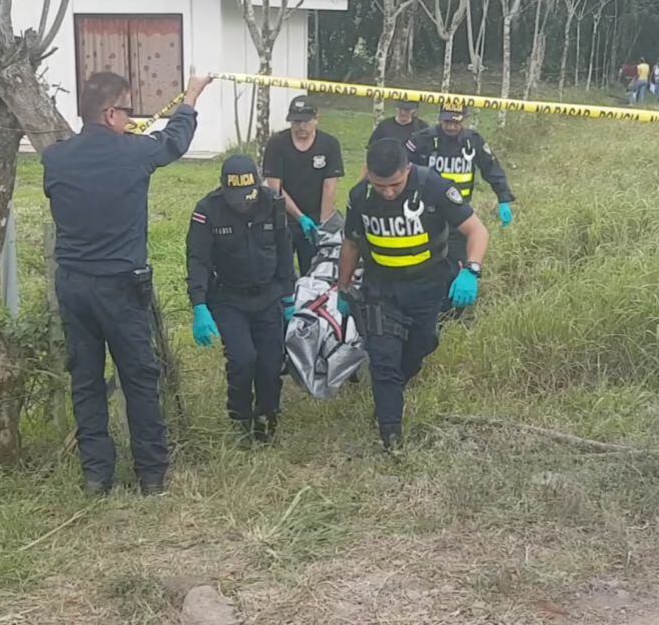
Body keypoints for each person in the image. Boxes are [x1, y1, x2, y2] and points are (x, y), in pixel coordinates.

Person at [43, 71, 213, 497]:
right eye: (127, 110)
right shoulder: (132, 153)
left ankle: (96, 475)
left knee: (85, 380)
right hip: (120, 286)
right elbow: (175, 140)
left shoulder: (56, 158)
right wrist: (192, 95)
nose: (132, 119)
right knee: (139, 378)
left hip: (73, 286)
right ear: (110, 113)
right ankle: (151, 475)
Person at [337, 138, 490, 450]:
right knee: (383, 358)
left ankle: (393, 390)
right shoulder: (361, 196)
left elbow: (477, 230)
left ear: (407, 169)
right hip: (381, 287)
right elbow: (352, 243)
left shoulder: (433, 187)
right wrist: (343, 287)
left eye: (394, 184)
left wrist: (472, 270)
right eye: (380, 185)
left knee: (421, 346)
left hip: (427, 284)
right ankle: (390, 433)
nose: (388, 192)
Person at [186, 155, 295, 445]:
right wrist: (199, 305)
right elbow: (197, 259)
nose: (242, 205)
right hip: (229, 298)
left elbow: (284, 249)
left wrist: (288, 295)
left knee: (271, 363)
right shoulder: (207, 210)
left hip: (268, 294)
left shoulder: (272, 203)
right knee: (243, 359)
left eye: (247, 197)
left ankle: (267, 414)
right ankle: (240, 418)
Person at [406, 104, 515, 310]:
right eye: (447, 121)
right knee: (424, 267)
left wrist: (503, 199)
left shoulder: (472, 141)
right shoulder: (422, 140)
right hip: (426, 216)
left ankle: (451, 313)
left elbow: (492, 169)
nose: (451, 126)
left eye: (456, 122)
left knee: (456, 266)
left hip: (459, 216)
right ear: (440, 118)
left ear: (465, 119)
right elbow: (401, 169)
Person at [262, 95, 345, 273]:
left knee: (314, 269)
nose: (301, 127)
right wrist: (300, 217)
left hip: (316, 217)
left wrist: (323, 225)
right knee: (280, 270)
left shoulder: (329, 144)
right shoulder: (277, 143)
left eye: (306, 122)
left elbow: (330, 186)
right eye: (296, 122)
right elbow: (275, 187)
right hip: (284, 215)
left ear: (316, 119)